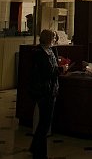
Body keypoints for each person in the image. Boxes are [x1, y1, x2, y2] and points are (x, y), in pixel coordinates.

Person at [29, 29, 67, 159]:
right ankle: (40, 153)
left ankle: (34, 147)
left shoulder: (49, 51)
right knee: (45, 122)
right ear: (49, 38)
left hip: (50, 89)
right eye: (53, 37)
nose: (55, 40)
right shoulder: (40, 53)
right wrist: (61, 69)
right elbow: (48, 71)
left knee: (44, 121)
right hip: (44, 91)